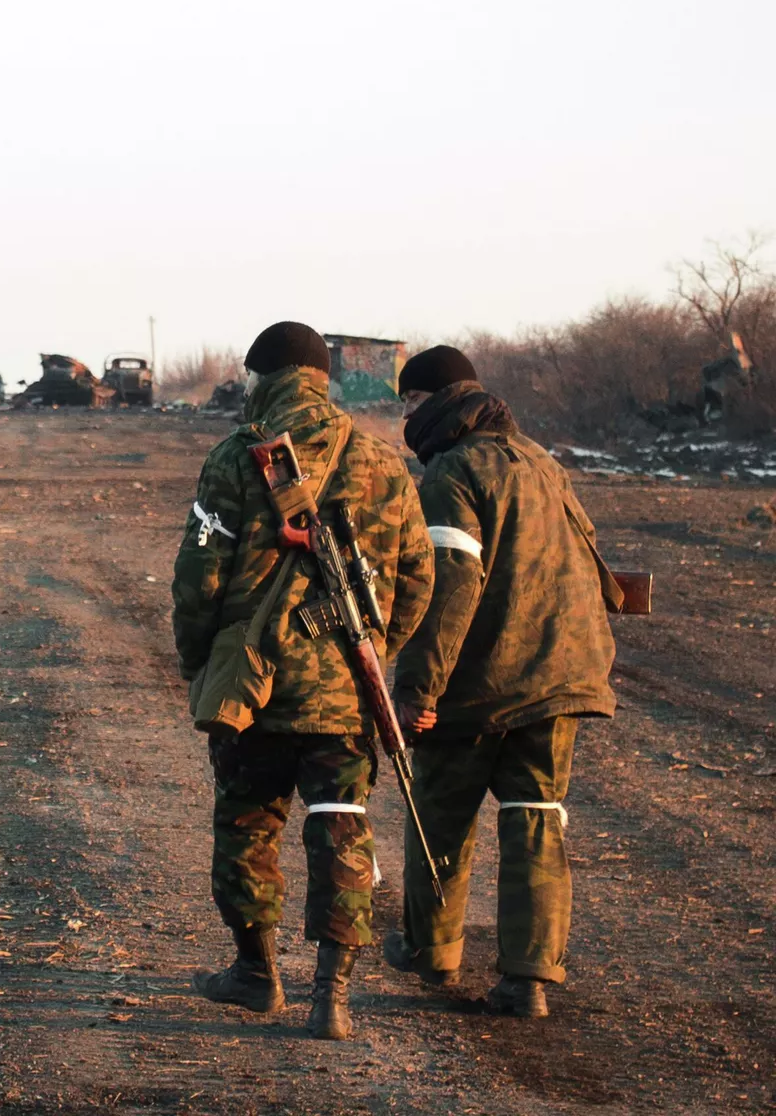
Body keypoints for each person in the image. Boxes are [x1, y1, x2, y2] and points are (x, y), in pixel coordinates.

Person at [174, 321, 433, 1039]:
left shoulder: (235, 457)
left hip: (254, 689)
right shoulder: (382, 463)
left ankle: (256, 974)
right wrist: (376, 646)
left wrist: (201, 667)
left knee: (247, 824)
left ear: (260, 378)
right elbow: (418, 575)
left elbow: (198, 580)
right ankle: (333, 997)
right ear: (322, 380)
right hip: (348, 690)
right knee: (341, 829)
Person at [384, 345, 618, 1019]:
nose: (405, 417)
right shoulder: (542, 462)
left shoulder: (452, 473)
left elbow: (447, 590)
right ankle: (529, 980)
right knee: (535, 820)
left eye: (408, 403)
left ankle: (431, 949)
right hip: (564, 675)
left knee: (440, 810)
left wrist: (417, 694)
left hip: (489, 681)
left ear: (431, 401)